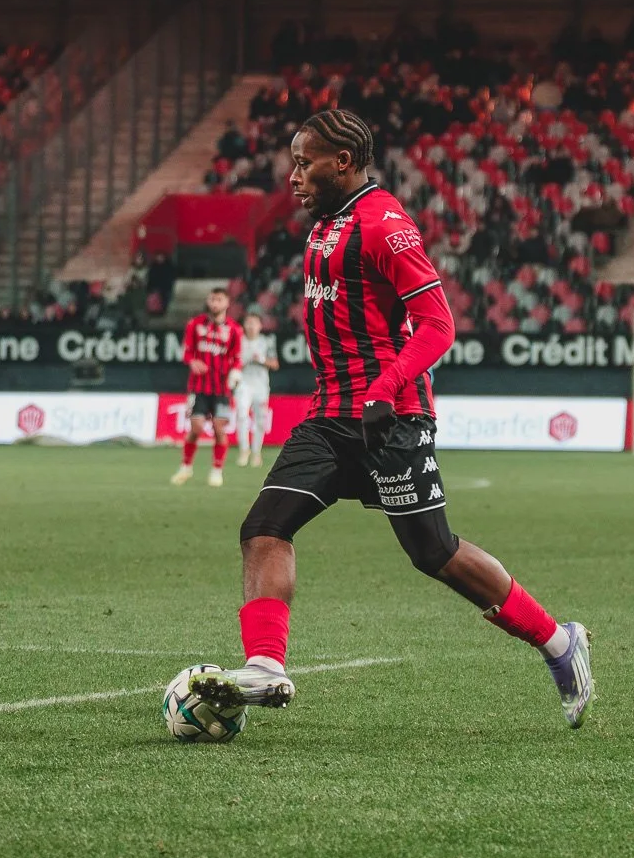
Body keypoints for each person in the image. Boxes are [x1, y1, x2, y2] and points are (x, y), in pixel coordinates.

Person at [191, 108, 592, 727]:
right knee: (264, 528)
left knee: (435, 553)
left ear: (343, 163)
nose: (292, 176)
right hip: (330, 417)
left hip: (391, 416)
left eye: (305, 163)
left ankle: (560, 643)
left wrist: (386, 388)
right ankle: (266, 667)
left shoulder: (384, 225)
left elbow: (438, 324)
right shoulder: (325, 224)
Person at [170, 285, 242, 490]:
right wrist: (192, 362)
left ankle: (217, 470)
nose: (214, 303)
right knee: (196, 428)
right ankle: (186, 467)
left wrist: (236, 373)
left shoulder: (234, 330)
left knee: (219, 429)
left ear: (227, 303)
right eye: (212, 299)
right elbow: (186, 352)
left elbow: (237, 358)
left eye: (219, 300)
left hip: (222, 389)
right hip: (199, 387)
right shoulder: (195, 325)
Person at [234, 310, 277, 468]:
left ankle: (256, 452)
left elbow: (275, 364)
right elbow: (232, 362)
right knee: (241, 415)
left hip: (261, 385)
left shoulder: (266, 342)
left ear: (260, 325)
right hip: (243, 384)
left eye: (254, 323)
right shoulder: (239, 341)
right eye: (248, 322)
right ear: (244, 325)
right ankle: (244, 451)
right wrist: (244, 361)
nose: (251, 326)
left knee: (260, 420)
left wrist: (262, 360)